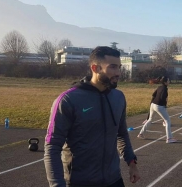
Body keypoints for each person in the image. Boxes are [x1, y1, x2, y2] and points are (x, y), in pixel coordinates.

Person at [44, 46, 140, 187]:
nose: (118, 73)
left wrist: (132, 162)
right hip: (80, 182)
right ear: (95, 68)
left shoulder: (118, 97)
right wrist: (56, 184)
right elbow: (52, 146)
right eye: (113, 67)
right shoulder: (68, 100)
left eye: (119, 67)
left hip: (113, 180)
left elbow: (121, 133)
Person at [137, 76, 177, 143]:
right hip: (159, 106)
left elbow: (153, 95)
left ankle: (141, 134)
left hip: (153, 104)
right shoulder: (165, 89)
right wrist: (165, 102)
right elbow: (162, 98)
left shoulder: (159, 87)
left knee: (150, 119)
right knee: (167, 121)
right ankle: (169, 138)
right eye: (168, 80)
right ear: (165, 82)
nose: (169, 81)